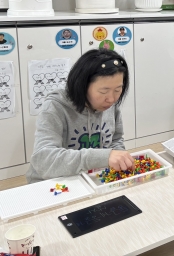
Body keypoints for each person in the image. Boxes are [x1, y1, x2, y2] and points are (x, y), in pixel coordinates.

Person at [26, 49, 133, 183]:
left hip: (93, 179)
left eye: (118, 90)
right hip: (54, 182)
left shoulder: (110, 105)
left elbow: (115, 140)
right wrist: (102, 157)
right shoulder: (55, 106)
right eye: (103, 91)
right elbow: (43, 160)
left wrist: (119, 161)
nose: (111, 99)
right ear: (83, 85)